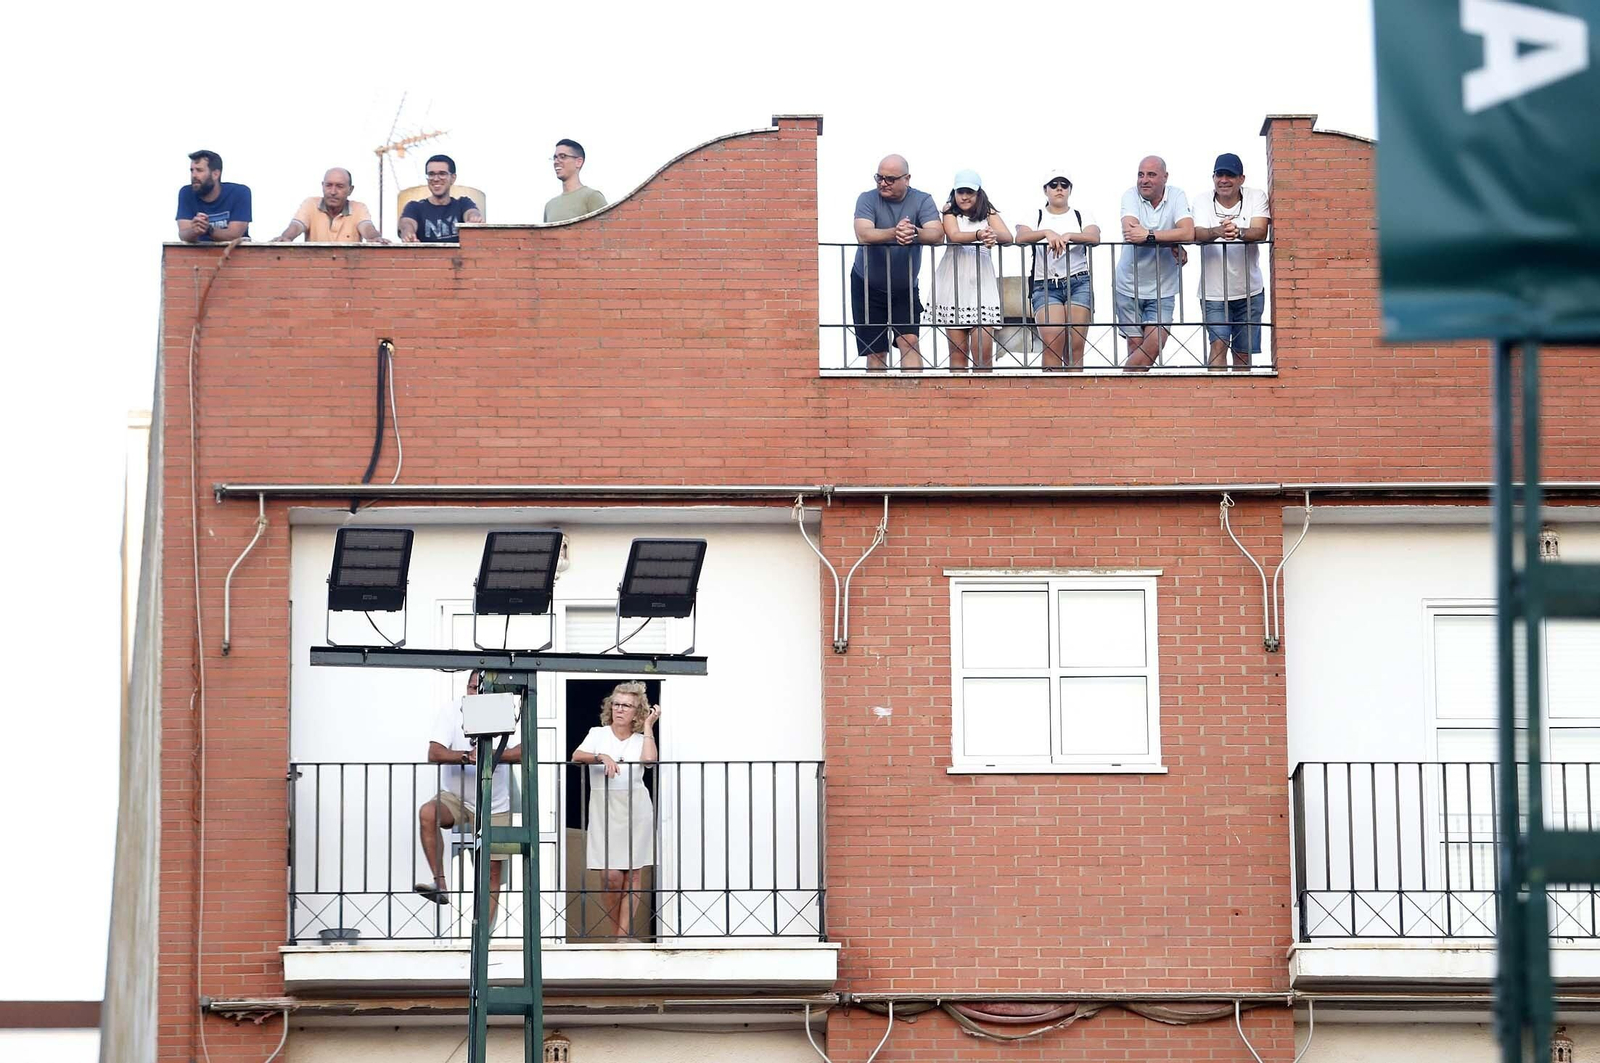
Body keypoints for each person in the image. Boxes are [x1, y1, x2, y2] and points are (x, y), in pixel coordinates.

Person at [415, 671, 521, 925]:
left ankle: (483, 933)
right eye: (472, 688)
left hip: (495, 804)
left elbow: (522, 751)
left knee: (491, 872)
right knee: (427, 813)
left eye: (481, 689)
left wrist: (490, 755)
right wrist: (466, 756)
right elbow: (434, 752)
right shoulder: (452, 711)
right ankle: (439, 884)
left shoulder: (506, 711)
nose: (475, 694)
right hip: (456, 797)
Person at [570, 682, 660, 938]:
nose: (620, 709)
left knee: (632, 874)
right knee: (611, 875)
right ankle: (616, 932)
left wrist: (648, 727)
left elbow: (650, 761)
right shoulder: (597, 734)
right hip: (604, 807)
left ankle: (621, 937)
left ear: (637, 711)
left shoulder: (643, 739)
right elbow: (577, 755)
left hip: (636, 807)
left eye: (627, 705)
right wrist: (602, 757)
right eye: (617, 704)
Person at [851, 154, 944, 371]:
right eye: (879, 178)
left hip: (905, 287)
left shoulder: (922, 200)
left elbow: (938, 235)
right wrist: (896, 232)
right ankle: (878, 402)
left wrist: (913, 232)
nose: (883, 183)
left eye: (890, 179)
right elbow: (863, 234)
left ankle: (915, 399)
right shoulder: (866, 198)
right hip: (867, 284)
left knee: (909, 341)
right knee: (876, 350)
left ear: (907, 178)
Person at [1014, 168, 1101, 371]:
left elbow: (1094, 237)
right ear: (1045, 190)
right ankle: (1050, 397)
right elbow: (1020, 237)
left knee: (1075, 345)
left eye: (1064, 185)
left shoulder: (1081, 215)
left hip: (1078, 280)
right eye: (1054, 185)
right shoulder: (1035, 215)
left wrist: (1069, 235)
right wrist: (1046, 232)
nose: (1059, 189)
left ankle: (1075, 397)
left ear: (1070, 189)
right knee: (1053, 341)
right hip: (1045, 284)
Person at [1192, 152, 1271, 371]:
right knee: (1218, 345)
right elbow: (1196, 234)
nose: (1224, 180)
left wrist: (1238, 232)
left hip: (1250, 291)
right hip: (1213, 293)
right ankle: (1217, 400)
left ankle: (1241, 403)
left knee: (1243, 353)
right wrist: (1219, 230)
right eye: (1219, 174)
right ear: (1213, 177)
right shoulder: (1201, 200)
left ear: (1241, 179)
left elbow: (1260, 231)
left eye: (1230, 175)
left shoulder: (1256, 196)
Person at [1115, 156, 1193, 371]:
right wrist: (1169, 239)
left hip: (1163, 287)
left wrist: (1150, 235)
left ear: (1165, 177)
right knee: (1134, 345)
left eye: (1151, 174)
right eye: (1141, 174)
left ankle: (1118, 390)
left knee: (1154, 344)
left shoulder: (1176, 195)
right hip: (1128, 285)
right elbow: (1132, 234)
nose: (1144, 180)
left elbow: (1188, 231)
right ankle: (1132, 400)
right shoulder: (1130, 195)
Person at [927, 170, 1011, 371]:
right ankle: (959, 401)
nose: (964, 197)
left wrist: (992, 235)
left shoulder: (988, 212)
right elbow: (954, 235)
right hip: (955, 282)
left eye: (969, 192)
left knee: (983, 353)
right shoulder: (949, 211)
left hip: (981, 283)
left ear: (978, 193)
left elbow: (1008, 237)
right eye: (960, 192)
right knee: (957, 354)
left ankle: (984, 399)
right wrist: (979, 234)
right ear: (954, 192)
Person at [274, 168, 387, 243]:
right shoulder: (310, 204)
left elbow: (367, 227)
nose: (333, 191)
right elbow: (297, 225)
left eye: (339, 186)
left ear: (350, 190)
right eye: (329, 185)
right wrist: (286, 237)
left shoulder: (358, 208)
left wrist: (374, 238)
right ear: (322, 186)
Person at [399, 154, 484, 243]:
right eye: (431, 174)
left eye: (442, 174)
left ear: (453, 178)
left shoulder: (463, 203)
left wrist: (474, 218)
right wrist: (408, 233)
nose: (436, 179)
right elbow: (407, 223)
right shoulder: (415, 207)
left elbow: (471, 212)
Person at [176, 150, 251, 243]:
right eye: (192, 170)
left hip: (235, 254)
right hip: (198, 254)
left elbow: (234, 234)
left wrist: (208, 229)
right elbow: (183, 234)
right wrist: (194, 231)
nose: (194, 175)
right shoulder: (186, 193)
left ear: (215, 174)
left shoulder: (240, 193)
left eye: (199, 170)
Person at [544, 139, 607, 223]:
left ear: (578, 162)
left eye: (562, 156)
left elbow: (608, 231)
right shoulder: (550, 206)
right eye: (555, 157)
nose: (556, 161)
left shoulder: (592, 197)